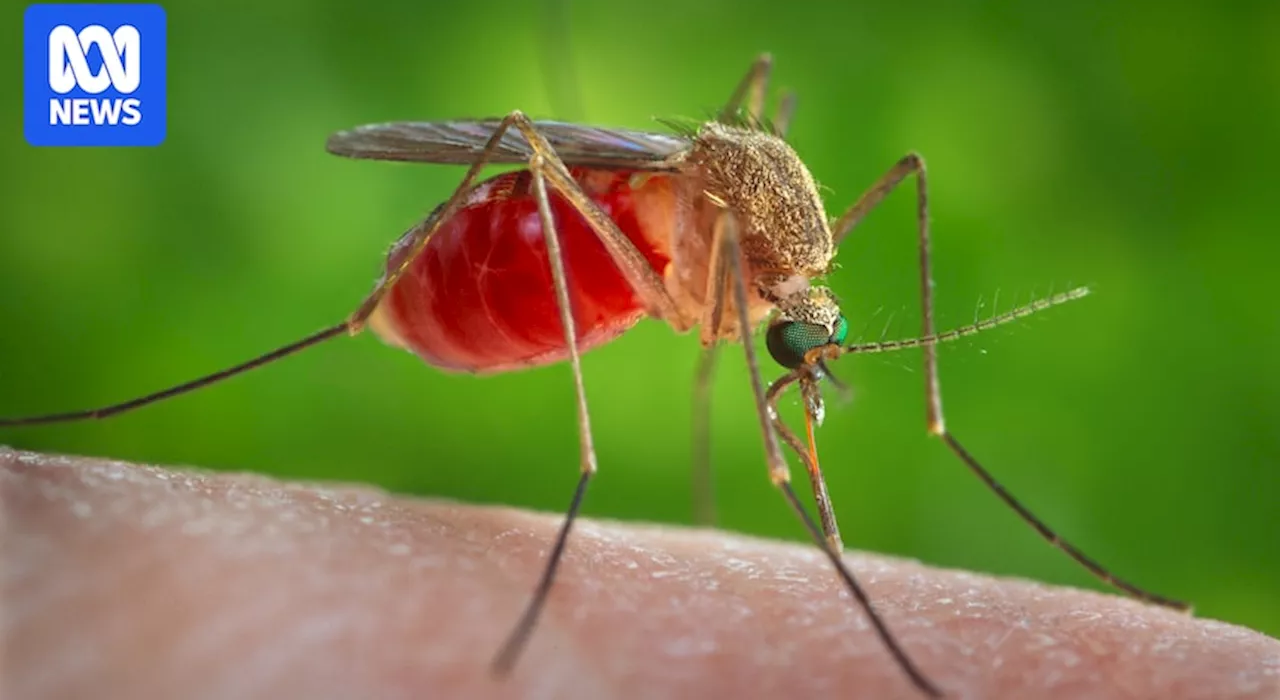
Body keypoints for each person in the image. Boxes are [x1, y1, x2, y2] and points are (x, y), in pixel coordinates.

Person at [4, 449, 1276, 699]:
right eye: (803, 350)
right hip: (527, 235)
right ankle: (586, 459)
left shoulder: (788, 271)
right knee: (528, 132)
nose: (810, 368)